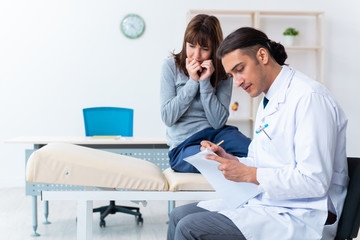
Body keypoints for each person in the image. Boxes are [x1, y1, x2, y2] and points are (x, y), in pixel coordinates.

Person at [167, 27, 349, 240]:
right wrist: (229, 159)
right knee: (179, 215)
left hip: (303, 215)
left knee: (190, 227)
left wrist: (250, 174)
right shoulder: (268, 101)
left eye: (239, 69)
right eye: (231, 75)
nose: (237, 82)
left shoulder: (310, 98)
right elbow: (261, 159)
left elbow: (314, 181)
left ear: (262, 55)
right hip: (271, 203)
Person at [160, 14, 251, 173]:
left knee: (254, 151)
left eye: (204, 48)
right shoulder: (170, 66)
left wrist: (205, 82)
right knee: (207, 159)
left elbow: (217, 122)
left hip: (218, 135)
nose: (196, 55)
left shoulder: (223, 72)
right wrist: (192, 82)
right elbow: (168, 118)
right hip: (184, 144)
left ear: (214, 49)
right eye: (191, 46)